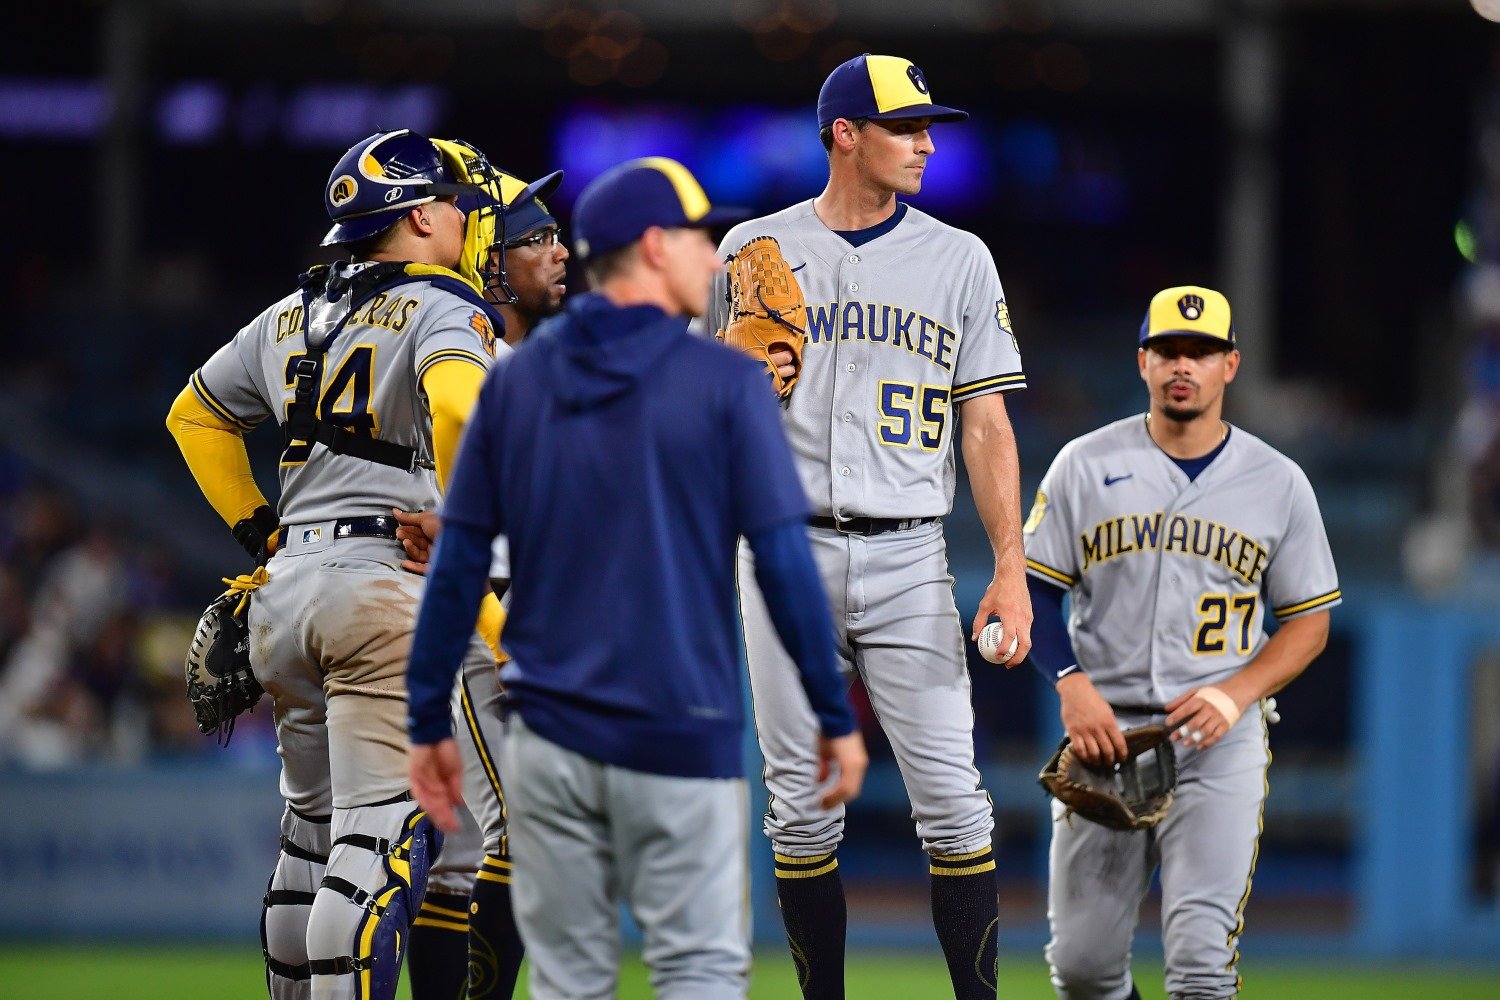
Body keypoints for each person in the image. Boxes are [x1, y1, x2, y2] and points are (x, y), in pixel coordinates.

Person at [404, 157, 869, 1000]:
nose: (717, 259)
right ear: (654, 247)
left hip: (550, 735)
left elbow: (459, 560)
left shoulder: (516, 379)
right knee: (697, 971)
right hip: (680, 731)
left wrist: (424, 715)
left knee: (570, 979)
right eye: (698, 237)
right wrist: (831, 712)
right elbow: (785, 559)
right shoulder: (727, 383)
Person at [701, 53, 1030, 999]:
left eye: (930, 126)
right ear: (845, 133)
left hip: (909, 555)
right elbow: (698, 415)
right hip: (779, 550)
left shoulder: (959, 256)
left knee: (956, 809)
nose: (928, 142)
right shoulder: (748, 251)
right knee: (799, 816)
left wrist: (1008, 565)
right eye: (906, 126)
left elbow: (986, 422)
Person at [165, 129, 517, 1000]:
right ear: (424, 215)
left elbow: (192, 417)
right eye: (462, 208)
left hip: (284, 595)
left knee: (308, 842)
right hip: (380, 586)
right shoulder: (444, 306)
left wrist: (262, 533)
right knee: (374, 845)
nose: (471, 222)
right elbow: (459, 403)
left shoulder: (291, 312)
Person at [1022, 286, 1341, 999]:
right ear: (1142, 362)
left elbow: (1309, 622)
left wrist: (1237, 693)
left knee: (1200, 967)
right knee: (1083, 970)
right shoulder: (1083, 463)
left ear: (1231, 364)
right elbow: (1033, 593)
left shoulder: (1277, 482)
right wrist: (1070, 684)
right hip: (1108, 737)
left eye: (1200, 352)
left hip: (1214, 740)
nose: (1182, 365)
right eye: (1168, 350)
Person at [404, 162, 566, 1000]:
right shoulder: (465, 360)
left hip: (528, 620)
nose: (560, 250)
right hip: (482, 622)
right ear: (488, 260)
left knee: (466, 850)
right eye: (535, 239)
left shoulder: (525, 365)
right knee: (514, 837)